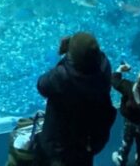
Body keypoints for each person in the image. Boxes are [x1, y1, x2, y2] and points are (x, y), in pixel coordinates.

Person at [36, 31, 116, 166]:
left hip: (61, 144)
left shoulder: (62, 76)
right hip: (89, 140)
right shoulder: (104, 66)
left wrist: (64, 57)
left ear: (72, 57)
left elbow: (42, 85)